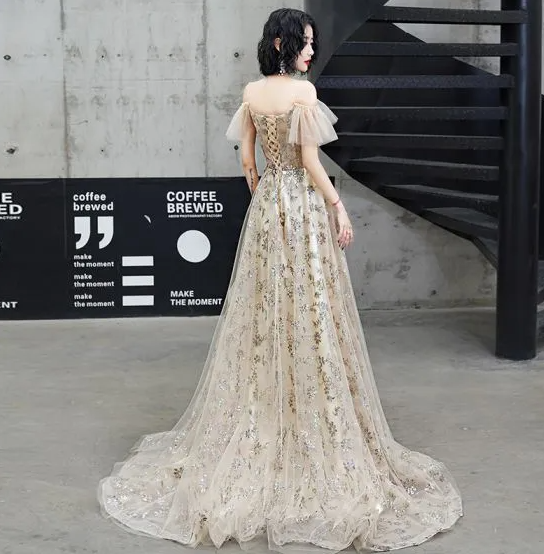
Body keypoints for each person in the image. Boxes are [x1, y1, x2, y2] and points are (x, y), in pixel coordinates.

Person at [98, 8, 462, 553]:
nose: (311, 52)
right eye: (305, 43)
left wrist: (259, 184)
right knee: (311, 300)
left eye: (312, 43)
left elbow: (246, 153)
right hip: (303, 206)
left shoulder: (252, 92)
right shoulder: (303, 94)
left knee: (265, 300)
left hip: (269, 205)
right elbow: (311, 160)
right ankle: (307, 405)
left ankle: (270, 402)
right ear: (281, 44)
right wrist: (337, 205)